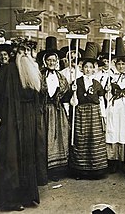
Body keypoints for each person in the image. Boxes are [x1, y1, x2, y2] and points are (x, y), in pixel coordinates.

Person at [0, 39, 41, 211]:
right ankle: (10, 200)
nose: (25, 55)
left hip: (28, 121)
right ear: (15, 55)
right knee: (11, 159)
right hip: (10, 120)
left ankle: (27, 196)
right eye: (21, 52)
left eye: (27, 52)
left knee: (27, 158)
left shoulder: (32, 70)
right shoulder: (5, 71)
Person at [68, 42, 108, 180]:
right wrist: (73, 92)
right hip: (80, 112)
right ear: (82, 68)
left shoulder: (97, 84)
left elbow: (101, 100)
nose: (88, 69)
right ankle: (80, 170)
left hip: (94, 113)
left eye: (91, 67)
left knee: (94, 139)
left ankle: (95, 170)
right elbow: (73, 101)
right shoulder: (76, 82)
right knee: (81, 139)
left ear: (94, 69)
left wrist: (103, 115)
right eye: (86, 67)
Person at [39, 37, 70, 182]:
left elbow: (66, 95)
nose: (52, 63)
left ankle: (57, 170)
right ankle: (44, 169)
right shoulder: (39, 76)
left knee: (59, 138)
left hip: (57, 111)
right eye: (49, 60)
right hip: (44, 111)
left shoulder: (61, 77)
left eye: (54, 60)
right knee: (45, 138)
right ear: (45, 61)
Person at [105, 37, 125, 173]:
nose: (121, 66)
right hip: (114, 106)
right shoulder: (111, 77)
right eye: (118, 64)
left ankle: (123, 160)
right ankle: (113, 160)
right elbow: (107, 95)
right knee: (113, 131)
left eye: (123, 64)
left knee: (124, 131)